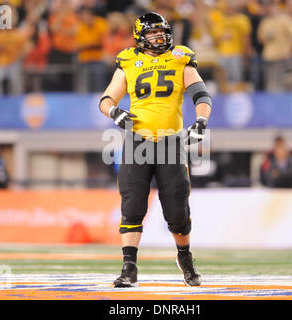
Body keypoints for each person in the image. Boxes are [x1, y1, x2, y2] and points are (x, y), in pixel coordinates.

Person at [99, 12, 211, 287]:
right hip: (137, 142)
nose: (159, 36)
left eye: (162, 31)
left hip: (170, 142)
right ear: (140, 37)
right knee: (132, 204)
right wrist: (115, 112)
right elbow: (106, 98)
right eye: (152, 32)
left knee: (177, 211)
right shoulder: (128, 61)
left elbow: (201, 94)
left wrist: (201, 120)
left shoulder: (180, 57)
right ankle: (129, 267)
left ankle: (184, 257)